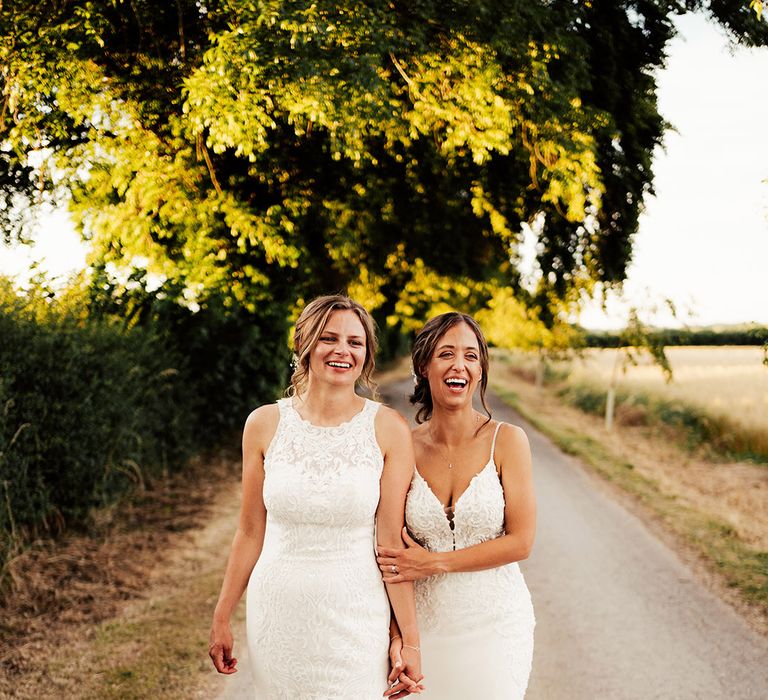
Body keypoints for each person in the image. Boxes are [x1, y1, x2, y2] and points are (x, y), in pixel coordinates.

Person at [208, 295, 424, 698]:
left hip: (357, 615)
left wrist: (408, 639)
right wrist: (222, 614)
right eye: (329, 338)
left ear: (366, 354)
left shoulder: (388, 428)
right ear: (304, 345)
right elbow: (250, 531)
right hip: (278, 613)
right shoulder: (264, 423)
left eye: (355, 342)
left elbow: (390, 543)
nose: (343, 351)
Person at [377, 312, 536, 699]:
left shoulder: (508, 441)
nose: (459, 365)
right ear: (423, 366)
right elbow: (387, 551)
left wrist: (434, 562)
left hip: (498, 625)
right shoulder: (402, 448)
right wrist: (399, 634)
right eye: (446, 353)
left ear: (480, 370)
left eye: (471, 355)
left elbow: (521, 542)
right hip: (426, 628)